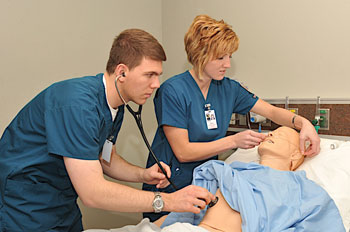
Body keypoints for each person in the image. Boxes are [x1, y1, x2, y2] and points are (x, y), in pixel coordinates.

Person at [0, 29, 215, 232]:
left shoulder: (115, 105)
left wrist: (143, 175)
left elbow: (104, 157)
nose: (157, 84)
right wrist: (167, 201)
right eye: (149, 75)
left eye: (158, 75)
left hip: (61, 203)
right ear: (121, 72)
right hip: (25, 204)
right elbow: (92, 193)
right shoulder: (78, 106)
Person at [143, 14, 320, 222]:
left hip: (206, 187)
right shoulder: (173, 91)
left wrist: (304, 123)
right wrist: (234, 141)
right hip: (169, 186)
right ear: (200, 54)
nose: (227, 64)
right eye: (220, 58)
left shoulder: (229, 89)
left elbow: (271, 112)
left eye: (229, 57)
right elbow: (183, 152)